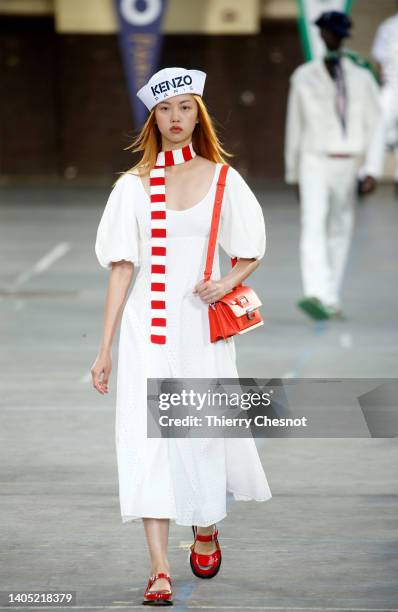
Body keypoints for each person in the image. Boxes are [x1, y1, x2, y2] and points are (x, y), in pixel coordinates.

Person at [91, 66, 272, 605]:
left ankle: (207, 522)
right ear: (154, 118)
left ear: (199, 115)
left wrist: (227, 281)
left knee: (201, 432)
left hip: (201, 328)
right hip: (147, 330)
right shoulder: (132, 187)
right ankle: (158, 569)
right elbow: (121, 268)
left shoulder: (222, 179)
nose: (176, 119)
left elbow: (251, 247)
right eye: (166, 110)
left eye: (186, 108)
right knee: (148, 441)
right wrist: (104, 350)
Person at [285, 11, 384, 321]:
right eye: (326, 32)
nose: (331, 37)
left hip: (349, 160)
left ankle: (330, 295)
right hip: (314, 159)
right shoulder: (303, 76)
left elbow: (376, 124)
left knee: (340, 228)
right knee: (313, 225)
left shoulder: (361, 76)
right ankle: (315, 291)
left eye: (336, 32)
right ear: (320, 35)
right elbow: (295, 126)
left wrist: (371, 169)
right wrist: (294, 173)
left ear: (344, 36)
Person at [371, 11, 398, 195]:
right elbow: (379, 58)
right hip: (391, 84)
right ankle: (370, 172)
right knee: (378, 126)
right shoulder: (389, 25)